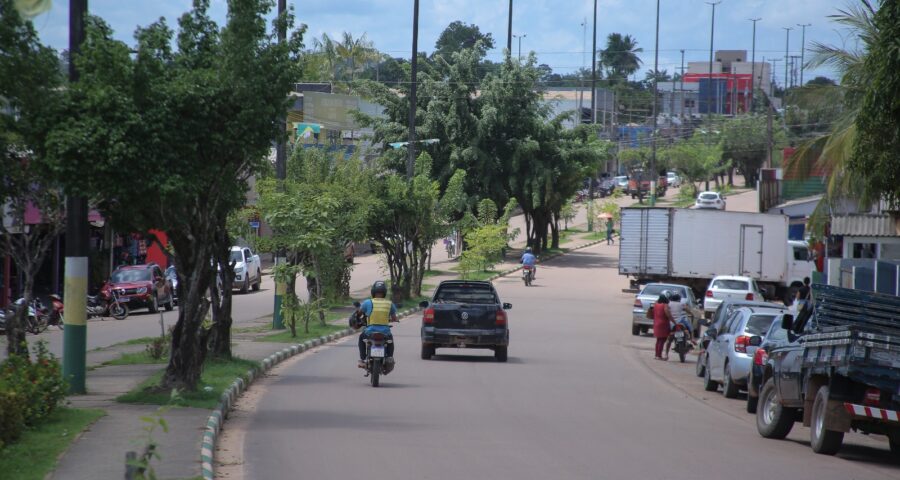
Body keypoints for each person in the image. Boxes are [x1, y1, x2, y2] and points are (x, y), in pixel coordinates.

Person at [355, 281, 398, 369]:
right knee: (390, 342)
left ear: (373, 292)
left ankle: (362, 359)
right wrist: (394, 320)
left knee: (361, 338)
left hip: (370, 331)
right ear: (384, 292)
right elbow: (394, 318)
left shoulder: (367, 302)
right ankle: (389, 357)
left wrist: (358, 317)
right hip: (385, 332)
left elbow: (359, 314)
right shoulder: (390, 303)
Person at [664, 292, 695, 358]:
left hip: (672, 323)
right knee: (690, 326)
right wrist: (692, 314)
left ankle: (666, 354)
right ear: (679, 299)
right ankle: (692, 338)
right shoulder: (681, 304)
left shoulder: (669, 304)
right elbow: (687, 310)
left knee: (669, 340)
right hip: (680, 321)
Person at [652, 294, 674, 360]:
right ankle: (659, 356)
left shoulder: (655, 304)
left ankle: (656, 355)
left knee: (658, 340)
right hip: (663, 324)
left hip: (656, 323)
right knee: (662, 340)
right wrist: (673, 321)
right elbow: (668, 315)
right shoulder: (665, 305)